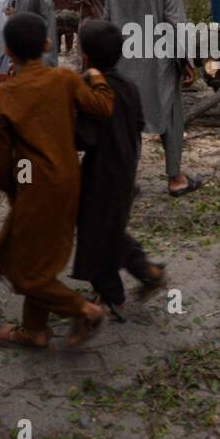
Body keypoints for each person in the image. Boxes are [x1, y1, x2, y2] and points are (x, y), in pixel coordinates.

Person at [0, 12, 114, 350]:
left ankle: (84, 310)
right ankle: (35, 330)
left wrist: (14, 190)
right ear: (46, 44)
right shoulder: (64, 79)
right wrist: (98, 77)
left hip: (34, 184)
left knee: (26, 272)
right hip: (69, 179)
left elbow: (0, 163)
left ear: (8, 51)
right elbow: (103, 107)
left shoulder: (5, 95)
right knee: (37, 258)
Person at [71, 20, 167, 321]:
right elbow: (138, 123)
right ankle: (139, 275)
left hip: (101, 172)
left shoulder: (93, 92)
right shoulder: (129, 86)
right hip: (126, 167)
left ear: (85, 57)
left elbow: (84, 137)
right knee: (106, 228)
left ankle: (119, 291)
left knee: (96, 232)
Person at [105, 0, 201, 197]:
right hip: (158, 59)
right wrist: (186, 62)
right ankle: (175, 179)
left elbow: (107, 21)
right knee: (169, 114)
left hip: (123, 60)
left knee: (128, 121)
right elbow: (176, 23)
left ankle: (125, 181)